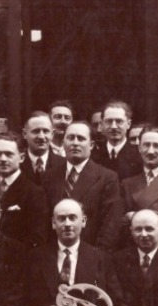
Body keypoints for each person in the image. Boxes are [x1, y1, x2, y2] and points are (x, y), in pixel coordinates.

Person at [44, 120, 123, 251]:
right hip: (53, 254)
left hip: (90, 255)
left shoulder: (107, 177)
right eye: (70, 138)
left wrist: (96, 258)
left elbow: (110, 226)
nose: (75, 143)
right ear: (63, 143)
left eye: (81, 139)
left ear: (91, 145)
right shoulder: (49, 177)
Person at [0, 132, 50, 251]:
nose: (2, 159)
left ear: (22, 157)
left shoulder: (34, 192)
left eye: (8, 154)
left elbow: (37, 239)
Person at [92, 100, 142, 179]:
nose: (114, 126)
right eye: (109, 121)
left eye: (119, 121)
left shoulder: (139, 157)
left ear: (128, 124)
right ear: (102, 125)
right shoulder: (93, 156)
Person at [22, 111, 66, 186]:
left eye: (46, 131)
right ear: (25, 134)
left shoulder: (64, 165)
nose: (41, 137)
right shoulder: (15, 163)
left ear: (52, 134)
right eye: (36, 131)